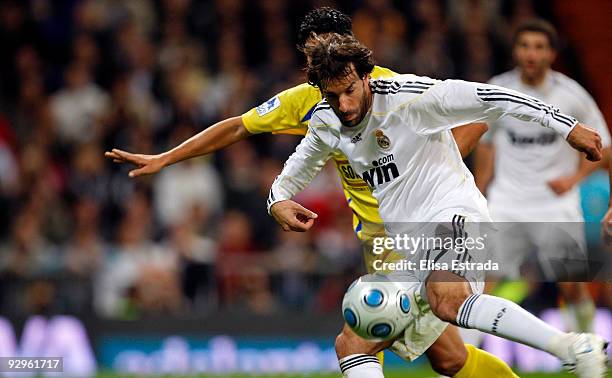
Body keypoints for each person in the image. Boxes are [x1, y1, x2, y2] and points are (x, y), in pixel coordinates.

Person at [105, 8, 518, 378]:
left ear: (352, 50)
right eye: (309, 55)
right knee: (447, 357)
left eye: (327, 51)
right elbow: (237, 126)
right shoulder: (306, 100)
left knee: (355, 343)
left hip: (415, 230)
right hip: (376, 238)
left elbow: (478, 113)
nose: (319, 65)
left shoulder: (387, 88)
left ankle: (567, 347)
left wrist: (443, 173)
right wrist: (167, 157)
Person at [267, 32, 607, 378]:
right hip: (408, 244)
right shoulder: (326, 119)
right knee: (353, 344)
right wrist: (277, 200)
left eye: (350, 91)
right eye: (332, 96)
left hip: (453, 214)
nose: (345, 106)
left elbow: (494, 97)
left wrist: (568, 127)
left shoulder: (410, 97)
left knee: (447, 299)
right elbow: (298, 166)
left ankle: (571, 346)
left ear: (366, 76)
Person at [473, 19, 610, 338]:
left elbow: (604, 147)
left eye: (539, 47)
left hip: (555, 205)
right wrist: (478, 192)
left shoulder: (571, 95)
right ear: (515, 51)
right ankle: (460, 365)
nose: (531, 54)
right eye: (524, 46)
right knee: (481, 284)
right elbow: (487, 144)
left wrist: (573, 178)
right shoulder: (499, 88)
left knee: (573, 288)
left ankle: (587, 352)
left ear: (551, 53)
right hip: (507, 202)